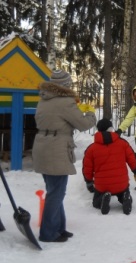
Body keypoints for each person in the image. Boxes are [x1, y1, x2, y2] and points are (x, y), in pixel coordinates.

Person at [32, 69, 96, 243]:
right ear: (66, 85)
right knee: (56, 193)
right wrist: (90, 112)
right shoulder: (66, 102)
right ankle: (48, 233)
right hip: (57, 149)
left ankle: (59, 228)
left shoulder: (44, 98)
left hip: (42, 146)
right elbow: (83, 124)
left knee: (54, 191)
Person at [82, 118, 136, 215]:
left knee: (95, 203)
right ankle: (125, 197)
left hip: (102, 185)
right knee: (122, 190)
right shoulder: (123, 143)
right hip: (121, 183)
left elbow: (87, 168)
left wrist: (88, 181)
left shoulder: (91, 148)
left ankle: (103, 197)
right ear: (111, 129)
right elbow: (133, 159)